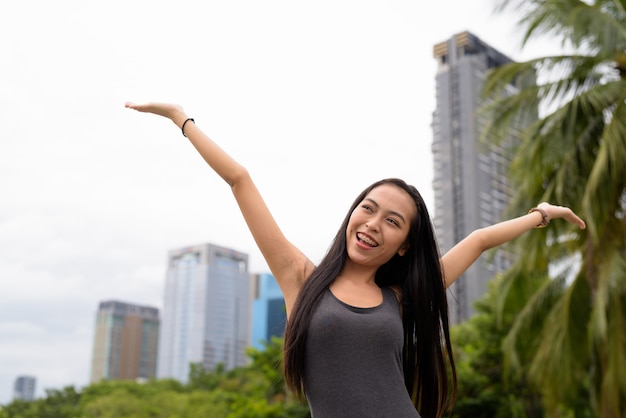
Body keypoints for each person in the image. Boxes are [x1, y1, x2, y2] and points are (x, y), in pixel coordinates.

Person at [125, 102, 586, 418]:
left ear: (405, 244)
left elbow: (480, 240)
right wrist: (180, 118)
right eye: (368, 208)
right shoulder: (300, 279)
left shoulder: (401, 298)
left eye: (393, 221)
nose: (373, 224)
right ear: (353, 213)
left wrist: (540, 215)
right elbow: (239, 179)